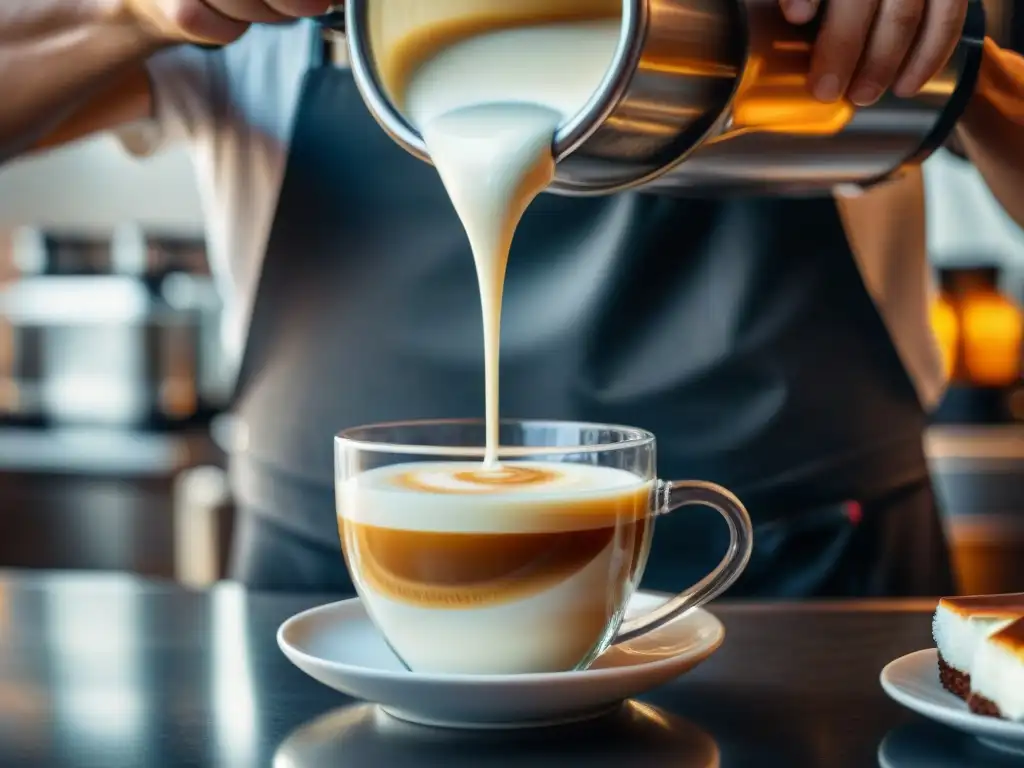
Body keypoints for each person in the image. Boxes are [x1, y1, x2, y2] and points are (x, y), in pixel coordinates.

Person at [3, 0, 1023, 598]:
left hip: (798, 584)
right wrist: (129, 12)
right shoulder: (262, 32)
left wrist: (957, 64)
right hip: (340, 597)